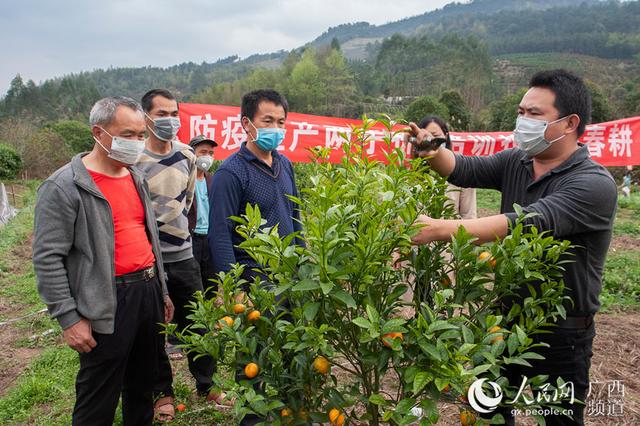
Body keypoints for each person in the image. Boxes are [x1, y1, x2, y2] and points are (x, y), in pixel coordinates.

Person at [407, 69, 617, 425]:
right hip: (503, 323)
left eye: (534, 114)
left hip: (562, 334)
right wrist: (431, 150)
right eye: (521, 112)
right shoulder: (515, 161)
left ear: (569, 123)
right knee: (490, 415)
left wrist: (442, 229)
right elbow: (463, 169)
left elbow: (526, 222)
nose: (523, 121)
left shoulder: (593, 184)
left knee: (559, 420)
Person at [32, 96, 174, 425]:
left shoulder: (134, 176)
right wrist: (68, 317)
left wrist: (162, 291)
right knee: (99, 394)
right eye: (128, 134)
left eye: (141, 135)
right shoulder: (65, 186)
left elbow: (146, 236)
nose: (137, 143)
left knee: (142, 384)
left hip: (147, 290)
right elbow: (47, 258)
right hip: (106, 299)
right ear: (99, 132)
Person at [208, 89, 302, 426]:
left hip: (289, 276)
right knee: (253, 356)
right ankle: (251, 418)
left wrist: (302, 267)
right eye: (268, 121)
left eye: (280, 122)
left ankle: (291, 411)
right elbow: (219, 234)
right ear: (247, 123)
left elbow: (296, 217)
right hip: (254, 281)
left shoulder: (285, 164)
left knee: (294, 349)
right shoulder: (231, 173)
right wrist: (232, 286)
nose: (275, 128)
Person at [135, 89, 214, 421]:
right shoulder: (133, 159)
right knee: (154, 327)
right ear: (146, 117)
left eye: (174, 113)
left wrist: (181, 236)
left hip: (182, 254)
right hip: (149, 259)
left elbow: (189, 203)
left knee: (197, 321)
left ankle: (206, 384)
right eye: (162, 114)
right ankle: (161, 391)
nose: (169, 120)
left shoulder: (187, 155)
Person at [417, 115, 477, 219]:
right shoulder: (414, 173)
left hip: (452, 234)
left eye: (435, 135)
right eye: (426, 137)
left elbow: (469, 216)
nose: (432, 142)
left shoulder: (462, 172)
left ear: (445, 136)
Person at [187, 135, 218, 293]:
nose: (207, 157)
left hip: (210, 239)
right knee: (192, 283)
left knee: (211, 282)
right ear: (192, 153)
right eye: (203, 152)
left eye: (210, 153)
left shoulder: (213, 180)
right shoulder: (185, 179)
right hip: (192, 239)